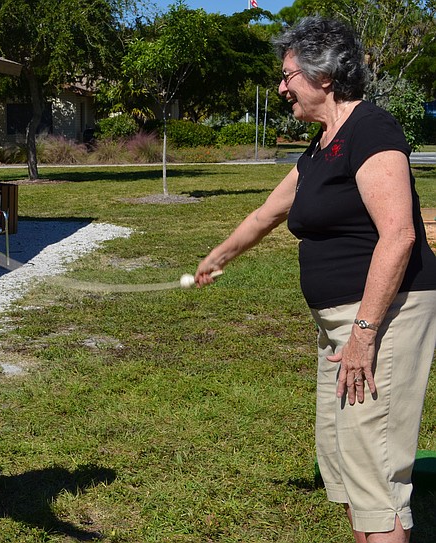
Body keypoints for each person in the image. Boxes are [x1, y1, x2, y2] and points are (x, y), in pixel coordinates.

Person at [192, 17, 436, 543]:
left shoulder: (371, 131)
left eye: (288, 75)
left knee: (374, 473)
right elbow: (266, 215)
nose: (282, 87)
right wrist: (220, 256)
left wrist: (365, 335)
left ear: (324, 76)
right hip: (339, 326)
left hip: (382, 317)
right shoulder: (322, 145)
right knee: (345, 466)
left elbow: (398, 237)